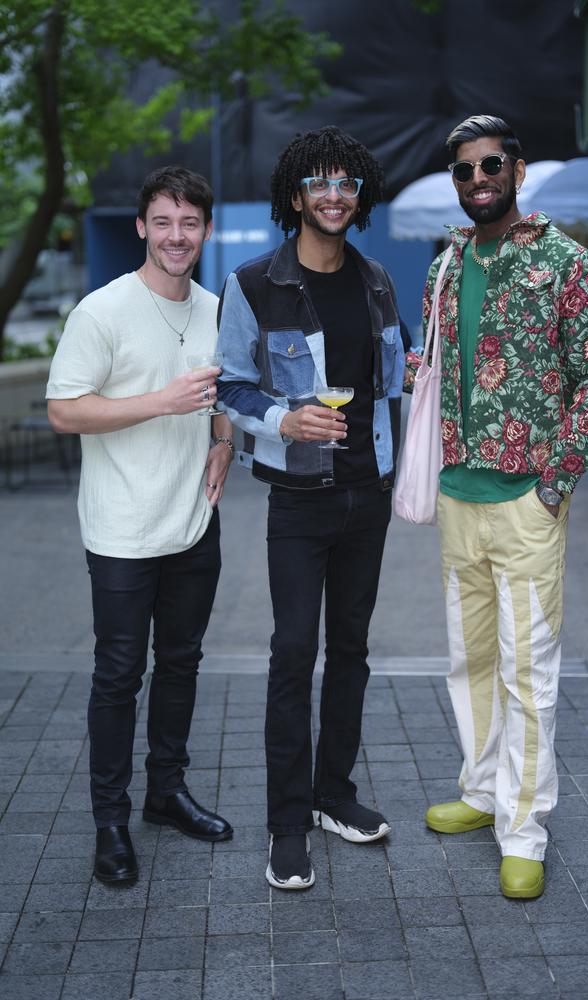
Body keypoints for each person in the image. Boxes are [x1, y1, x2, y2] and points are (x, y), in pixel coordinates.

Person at [416, 115, 588, 898]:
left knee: (528, 672)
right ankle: (481, 790)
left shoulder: (563, 262)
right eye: (464, 171)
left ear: (518, 170)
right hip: (459, 499)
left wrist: (554, 485)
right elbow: (445, 371)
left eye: (490, 165)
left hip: (527, 504)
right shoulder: (444, 265)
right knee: (470, 663)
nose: (478, 181)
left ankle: (524, 827)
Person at [217, 126, 404, 890]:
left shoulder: (377, 280)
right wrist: (283, 420)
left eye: (347, 184)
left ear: (359, 198)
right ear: (295, 196)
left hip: (369, 492)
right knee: (295, 654)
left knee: (352, 652)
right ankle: (286, 822)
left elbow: (393, 380)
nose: (335, 195)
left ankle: (335, 796)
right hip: (297, 499)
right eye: (320, 183)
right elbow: (230, 383)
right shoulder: (255, 282)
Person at [47, 166, 234, 885]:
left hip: (194, 523)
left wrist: (222, 441)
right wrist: (158, 402)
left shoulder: (217, 309)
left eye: (189, 223)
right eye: (163, 222)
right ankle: (110, 824)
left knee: (182, 664)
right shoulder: (101, 312)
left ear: (205, 230)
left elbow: (222, 394)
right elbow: (66, 410)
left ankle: (166, 795)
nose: (176, 236)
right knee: (119, 676)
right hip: (122, 531)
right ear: (141, 228)